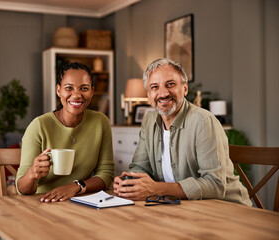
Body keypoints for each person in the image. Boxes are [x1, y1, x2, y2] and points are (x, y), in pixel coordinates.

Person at [113, 58, 252, 206]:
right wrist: (129, 182)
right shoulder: (149, 120)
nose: (163, 93)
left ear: (185, 88)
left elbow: (215, 184)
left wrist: (156, 189)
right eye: (155, 87)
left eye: (170, 84)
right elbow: (140, 168)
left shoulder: (203, 121)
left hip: (225, 209)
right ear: (148, 95)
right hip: (179, 207)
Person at [17, 62, 114, 202]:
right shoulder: (39, 126)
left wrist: (76, 186)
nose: (76, 95)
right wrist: (32, 173)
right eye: (69, 88)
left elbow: (106, 173)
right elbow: (22, 189)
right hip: (43, 202)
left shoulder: (100, 122)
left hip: (81, 201)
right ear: (58, 90)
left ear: (92, 91)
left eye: (84, 88)